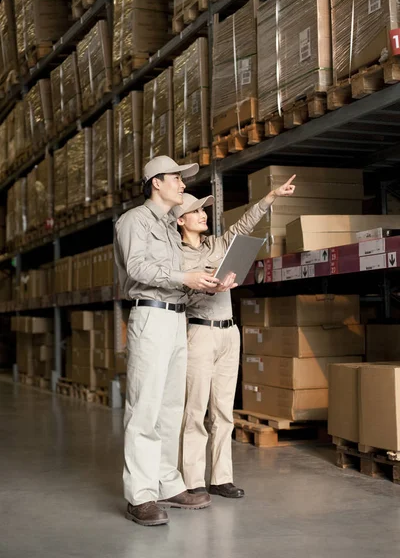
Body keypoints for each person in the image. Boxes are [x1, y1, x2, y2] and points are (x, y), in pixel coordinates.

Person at [114, 155, 236, 527]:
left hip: (176, 316)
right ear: (156, 182)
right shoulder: (133, 220)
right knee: (145, 407)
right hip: (150, 315)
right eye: (177, 179)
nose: (183, 185)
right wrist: (185, 276)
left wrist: (208, 282)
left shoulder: (170, 227)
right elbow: (136, 267)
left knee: (170, 407)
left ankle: (167, 482)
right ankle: (140, 495)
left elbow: (181, 276)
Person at [175, 174, 296, 498]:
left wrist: (271, 196)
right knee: (195, 410)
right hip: (199, 333)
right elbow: (178, 296)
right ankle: (192, 481)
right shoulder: (178, 258)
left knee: (223, 411)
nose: (204, 215)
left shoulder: (217, 244)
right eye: (197, 212)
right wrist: (208, 284)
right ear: (180, 220)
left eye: (205, 211)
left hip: (230, 333)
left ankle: (221, 478)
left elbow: (244, 225)